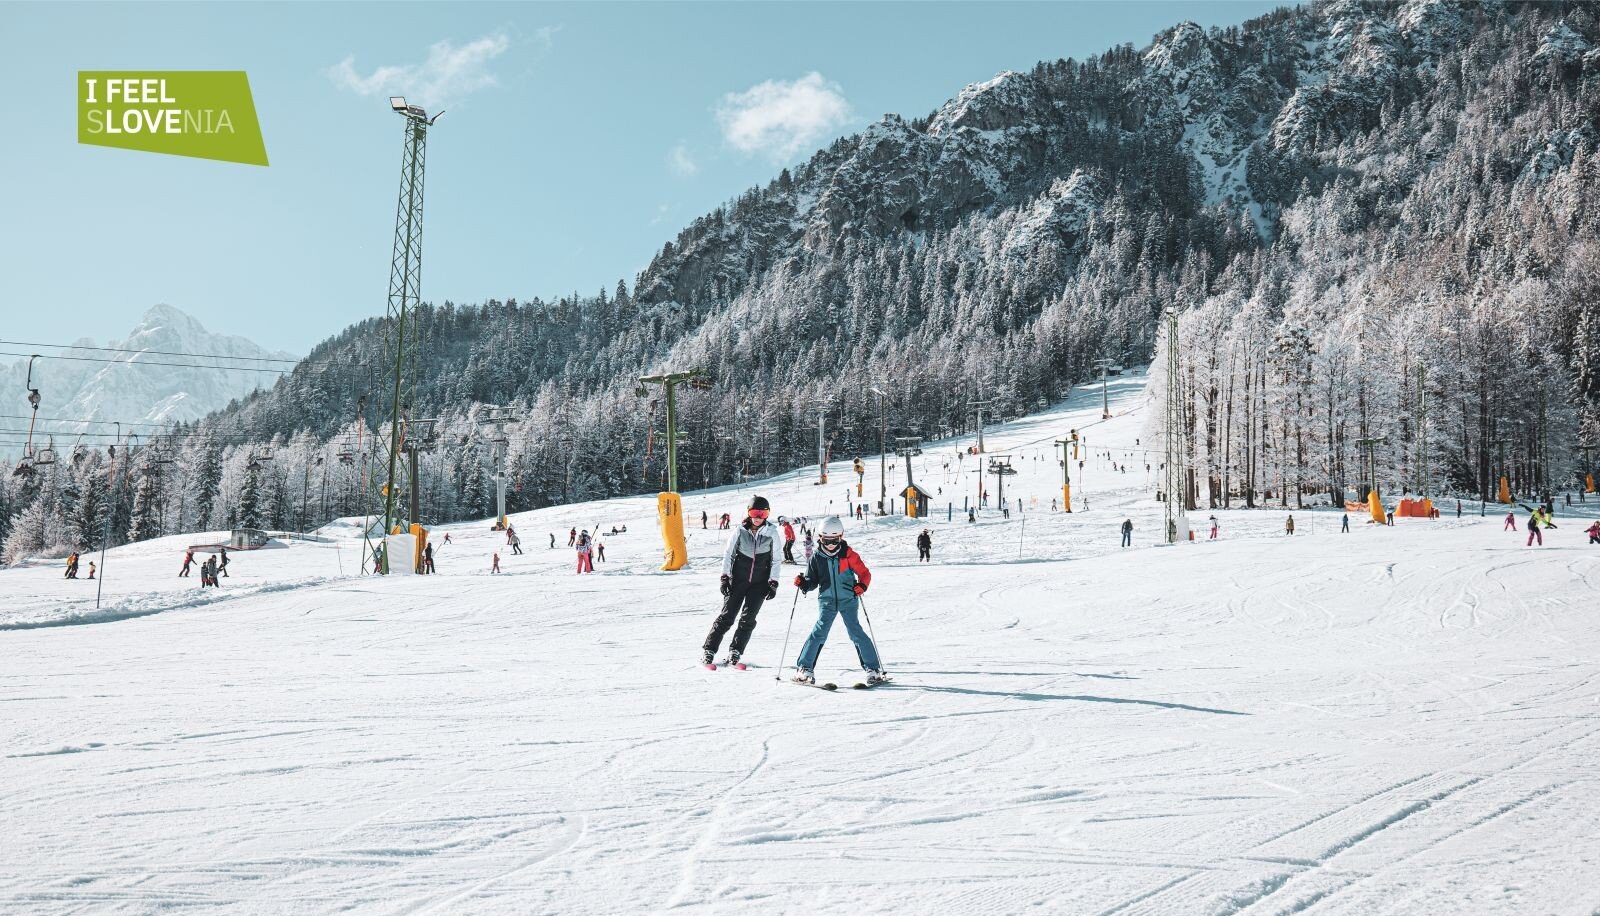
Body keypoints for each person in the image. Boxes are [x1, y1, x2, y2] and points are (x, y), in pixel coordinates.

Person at [792, 516, 885, 685]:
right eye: (827, 541)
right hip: (827, 601)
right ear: (820, 538)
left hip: (848, 600)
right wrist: (804, 584)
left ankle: (873, 669)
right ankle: (804, 668)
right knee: (819, 632)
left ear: (841, 537)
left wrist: (862, 586)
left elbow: (865, 574)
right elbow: (812, 581)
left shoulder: (849, 555)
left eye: (834, 541)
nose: (831, 545)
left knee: (856, 632)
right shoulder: (816, 558)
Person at [701, 495, 781, 669]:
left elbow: (776, 560)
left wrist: (773, 582)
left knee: (748, 619)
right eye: (755, 512)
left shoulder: (772, 533)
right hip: (737, 580)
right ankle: (709, 649)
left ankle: (736, 650)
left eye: (763, 513)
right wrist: (725, 577)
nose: (758, 517)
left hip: (759, 584)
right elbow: (728, 555)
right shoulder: (739, 531)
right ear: (749, 513)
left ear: (767, 515)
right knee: (727, 617)